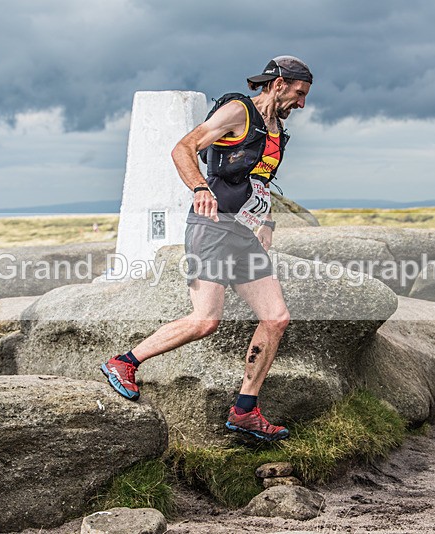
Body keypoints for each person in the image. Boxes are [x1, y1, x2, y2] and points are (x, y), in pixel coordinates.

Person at [101, 56, 312, 442]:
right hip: (212, 228)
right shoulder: (238, 111)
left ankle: (245, 410)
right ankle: (123, 363)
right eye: (299, 94)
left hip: (245, 233)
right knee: (204, 321)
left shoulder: (277, 129)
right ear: (279, 83)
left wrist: (265, 223)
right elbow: (184, 147)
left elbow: (260, 181)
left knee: (276, 318)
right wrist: (200, 187)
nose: (301, 103)